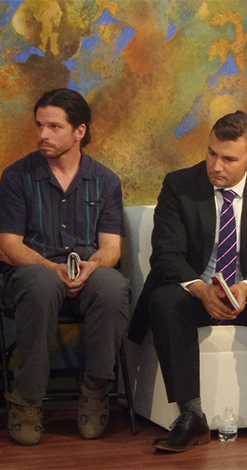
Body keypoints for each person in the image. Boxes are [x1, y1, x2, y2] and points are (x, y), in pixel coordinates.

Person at [127, 111, 247, 452]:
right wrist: (200, 289)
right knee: (164, 301)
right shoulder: (179, 185)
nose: (216, 165)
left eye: (229, 159)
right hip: (195, 295)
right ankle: (191, 415)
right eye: (212, 153)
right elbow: (166, 255)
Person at [0, 89, 130, 445]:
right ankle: (27, 399)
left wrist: (91, 267)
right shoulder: (16, 177)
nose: (43, 134)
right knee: (42, 284)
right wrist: (50, 268)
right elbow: (9, 246)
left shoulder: (105, 181)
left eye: (54, 126)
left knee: (113, 285)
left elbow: (111, 248)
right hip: (29, 276)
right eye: (40, 125)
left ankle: (95, 389)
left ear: (79, 132)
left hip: (85, 272)